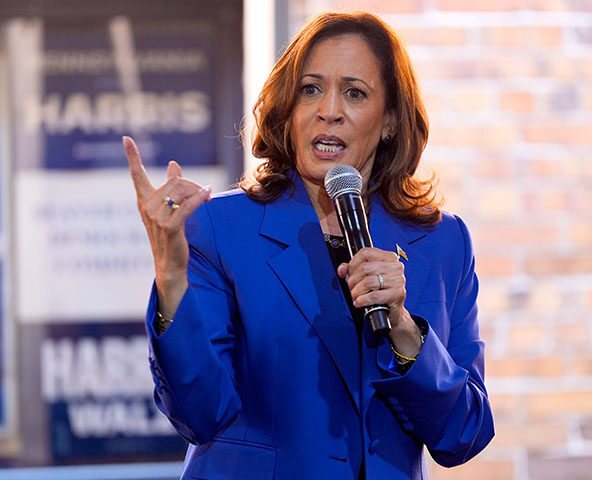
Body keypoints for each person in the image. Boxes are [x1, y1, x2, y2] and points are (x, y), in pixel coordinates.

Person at [123, 11, 494, 480]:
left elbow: (463, 434)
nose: (329, 110)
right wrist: (171, 280)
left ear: (391, 122)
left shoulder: (442, 243)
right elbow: (200, 414)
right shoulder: (220, 229)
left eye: (355, 93)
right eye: (311, 89)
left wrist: (404, 331)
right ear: (289, 109)